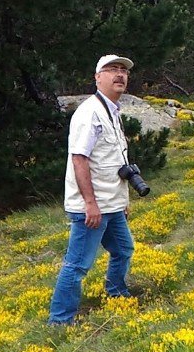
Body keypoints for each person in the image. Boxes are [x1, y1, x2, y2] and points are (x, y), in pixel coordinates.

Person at [48, 54, 137, 325]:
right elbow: (79, 159)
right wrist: (90, 203)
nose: (119, 75)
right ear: (98, 77)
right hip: (93, 207)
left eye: (123, 70)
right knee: (77, 266)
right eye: (111, 70)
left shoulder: (112, 110)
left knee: (123, 249)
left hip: (111, 204)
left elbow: (113, 161)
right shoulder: (89, 113)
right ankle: (60, 321)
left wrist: (123, 199)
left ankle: (117, 294)